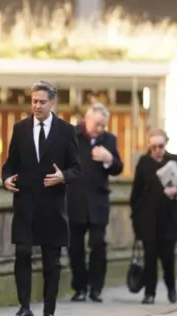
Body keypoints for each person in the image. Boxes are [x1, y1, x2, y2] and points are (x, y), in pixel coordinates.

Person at [2, 80, 82, 316]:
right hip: (25, 202)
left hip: (52, 206)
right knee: (22, 253)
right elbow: (10, 163)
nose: (36, 105)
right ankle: (24, 308)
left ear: (52, 103)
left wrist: (63, 177)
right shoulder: (20, 128)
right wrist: (6, 178)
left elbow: (77, 168)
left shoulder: (66, 131)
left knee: (51, 260)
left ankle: (49, 312)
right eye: (34, 101)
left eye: (41, 102)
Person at [129, 129, 177, 305]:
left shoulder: (175, 161)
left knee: (168, 257)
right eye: (154, 147)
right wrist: (136, 218)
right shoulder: (144, 163)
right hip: (149, 218)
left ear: (166, 144)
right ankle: (149, 293)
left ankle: (171, 288)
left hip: (169, 218)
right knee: (149, 257)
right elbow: (136, 192)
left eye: (161, 146)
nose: (157, 150)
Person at [67, 103, 123, 303]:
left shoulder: (109, 140)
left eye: (103, 125)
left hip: (98, 202)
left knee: (98, 245)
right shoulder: (72, 135)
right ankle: (79, 288)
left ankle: (96, 288)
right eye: (97, 124)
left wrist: (108, 159)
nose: (100, 129)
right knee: (75, 248)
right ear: (87, 119)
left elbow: (118, 168)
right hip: (74, 201)